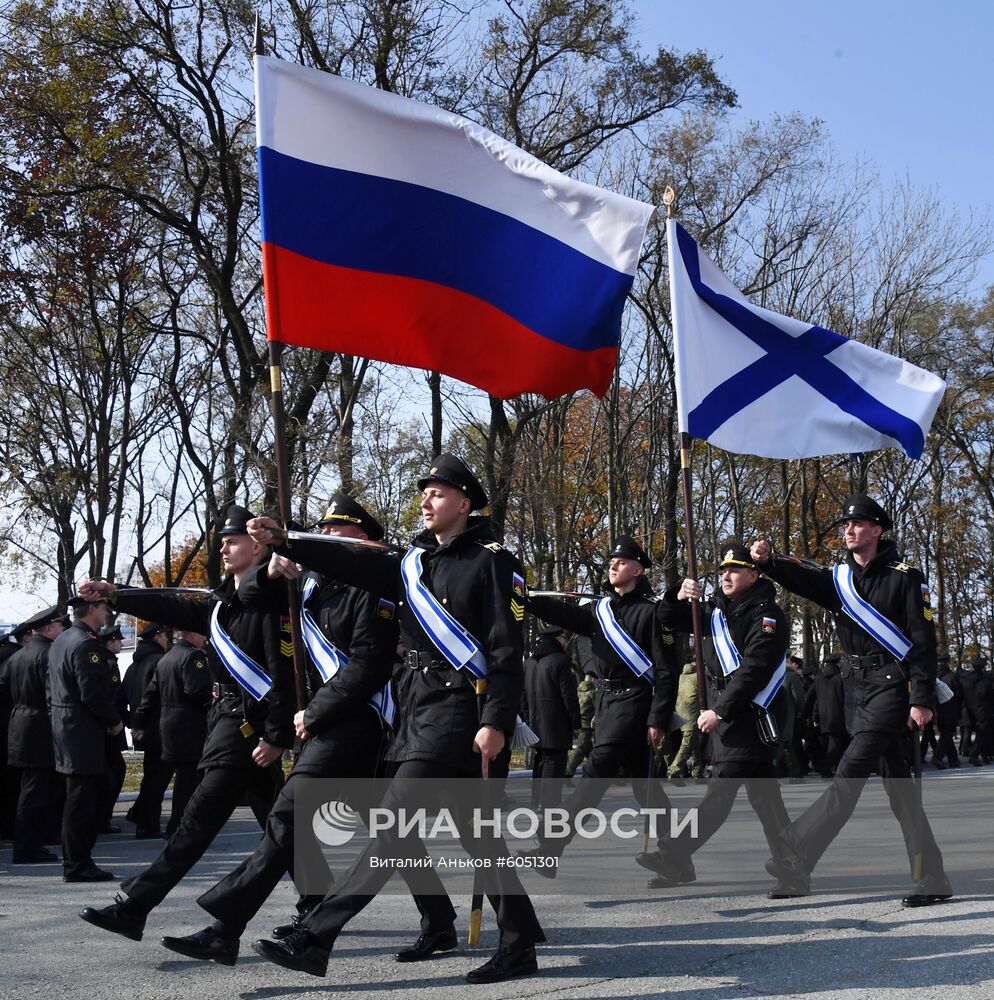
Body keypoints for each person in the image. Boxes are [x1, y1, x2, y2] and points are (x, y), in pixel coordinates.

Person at [246, 455, 545, 985]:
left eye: (437, 492)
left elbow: (505, 649)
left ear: (465, 501)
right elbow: (350, 561)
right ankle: (520, 942)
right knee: (481, 839)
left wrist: (497, 719)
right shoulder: (412, 562)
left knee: (392, 824)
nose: (426, 501)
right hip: (417, 711)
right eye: (424, 493)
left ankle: (316, 938)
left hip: (460, 711)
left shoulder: (494, 560)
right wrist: (286, 541)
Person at [156, 492, 404, 968]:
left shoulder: (375, 586)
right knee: (356, 831)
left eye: (339, 532)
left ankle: (229, 926)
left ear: (367, 539)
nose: (326, 537)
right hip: (322, 722)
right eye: (324, 531)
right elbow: (248, 597)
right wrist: (270, 569)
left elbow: (369, 665)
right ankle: (438, 922)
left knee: (289, 818)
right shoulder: (312, 581)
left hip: (355, 720)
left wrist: (313, 713)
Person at [78, 504, 294, 938]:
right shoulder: (221, 606)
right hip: (232, 730)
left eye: (232, 542)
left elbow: (284, 673)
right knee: (283, 830)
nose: (224, 549)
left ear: (257, 547)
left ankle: (135, 905)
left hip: (246, 733)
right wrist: (114, 593)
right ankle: (317, 908)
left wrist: (277, 734)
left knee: (194, 826)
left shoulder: (271, 603)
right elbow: (171, 605)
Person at [753, 493, 953, 907]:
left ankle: (795, 851)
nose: (848, 529)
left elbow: (922, 642)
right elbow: (803, 581)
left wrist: (923, 698)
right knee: (901, 793)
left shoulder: (905, 577)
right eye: (846, 524)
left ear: (877, 531)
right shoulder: (840, 580)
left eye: (857, 524)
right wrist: (767, 563)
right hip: (856, 692)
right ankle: (933, 878)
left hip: (892, 690)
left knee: (849, 774)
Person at [638, 542, 792, 890]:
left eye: (734, 569)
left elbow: (755, 669)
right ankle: (792, 863)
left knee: (720, 793)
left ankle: (674, 853)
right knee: (765, 799)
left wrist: (720, 712)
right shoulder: (715, 612)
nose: (726, 575)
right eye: (722, 570)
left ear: (753, 575)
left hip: (749, 715)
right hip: (727, 715)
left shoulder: (766, 615)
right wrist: (677, 594)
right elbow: (667, 619)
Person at [521, 535, 679, 872]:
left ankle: (550, 847)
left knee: (593, 776)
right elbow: (561, 613)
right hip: (607, 703)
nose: (613, 566)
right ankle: (677, 858)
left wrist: (658, 718)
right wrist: (525, 596)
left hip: (636, 702)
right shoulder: (601, 611)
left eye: (621, 562)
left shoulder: (652, 612)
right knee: (645, 787)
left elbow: (667, 671)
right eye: (611, 562)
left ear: (638, 569)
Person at [49, 594, 122, 881]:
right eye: (103, 608)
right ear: (92, 609)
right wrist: (114, 722)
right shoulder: (85, 644)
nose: (106, 613)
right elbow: (91, 693)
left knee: (76, 798)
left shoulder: (63, 640)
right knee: (81, 802)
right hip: (82, 731)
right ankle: (77, 863)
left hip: (67, 728)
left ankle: (77, 860)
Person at [132, 628, 212, 837]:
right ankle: (178, 827)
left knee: (157, 778)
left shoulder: (166, 658)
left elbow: (150, 694)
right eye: (201, 634)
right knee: (187, 781)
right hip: (189, 726)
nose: (204, 637)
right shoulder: (193, 656)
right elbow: (197, 692)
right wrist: (212, 700)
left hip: (165, 724)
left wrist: (138, 722)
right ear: (192, 635)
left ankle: (146, 824)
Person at [5, 605, 64, 863]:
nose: (62, 630)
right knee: (37, 792)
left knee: (29, 790)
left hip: (20, 724)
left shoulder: (17, 655)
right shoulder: (48, 654)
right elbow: (53, 695)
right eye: (60, 626)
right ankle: (29, 847)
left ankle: (28, 843)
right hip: (40, 727)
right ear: (49, 628)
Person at [521, 626, 580, 811]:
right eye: (563, 637)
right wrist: (576, 722)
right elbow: (569, 696)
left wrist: (527, 718)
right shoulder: (561, 661)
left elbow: (522, 695)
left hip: (534, 720)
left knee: (540, 761)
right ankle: (550, 802)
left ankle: (536, 801)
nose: (564, 640)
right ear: (557, 638)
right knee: (554, 763)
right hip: (556, 723)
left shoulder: (529, 662)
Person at [121, 623, 170, 838]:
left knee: (152, 776)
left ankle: (140, 813)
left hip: (143, 729)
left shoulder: (133, 667)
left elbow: (120, 698)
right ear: (157, 637)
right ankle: (147, 823)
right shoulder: (160, 662)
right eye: (165, 635)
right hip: (161, 728)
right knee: (157, 780)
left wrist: (133, 724)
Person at [98, 624, 128, 834]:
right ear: (110, 643)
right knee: (114, 771)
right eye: (118, 640)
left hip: (105, 726)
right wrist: (115, 722)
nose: (121, 643)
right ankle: (102, 817)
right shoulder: (108, 664)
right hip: (108, 728)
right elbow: (113, 697)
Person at [810, 653, 849, 777]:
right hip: (839, 716)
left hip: (823, 717)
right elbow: (848, 697)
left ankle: (828, 767)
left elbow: (812, 697)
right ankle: (825, 768)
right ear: (838, 662)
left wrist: (813, 715)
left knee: (827, 744)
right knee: (836, 745)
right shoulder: (842, 677)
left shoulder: (819, 678)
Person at [667, 662, 705, 784]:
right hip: (692, 714)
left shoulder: (681, 677)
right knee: (688, 743)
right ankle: (674, 770)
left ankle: (697, 772)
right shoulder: (698, 678)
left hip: (680, 713)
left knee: (694, 742)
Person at [565, 665, 597, 779]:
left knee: (590, 751)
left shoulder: (577, 689)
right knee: (581, 750)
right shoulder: (593, 692)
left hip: (577, 724)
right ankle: (567, 773)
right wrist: (595, 721)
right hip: (587, 725)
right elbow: (597, 710)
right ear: (593, 679)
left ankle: (594, 773)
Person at [931, 653, 961, 769]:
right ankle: (937, 757)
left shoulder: (933, 676)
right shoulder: (952, 676)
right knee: (946, 736)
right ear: (947, 662)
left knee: (946, 735)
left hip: (937, 712)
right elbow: (958, 694)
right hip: (950, 711)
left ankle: (953, 759)